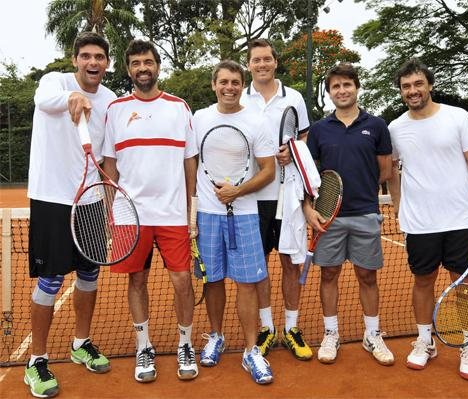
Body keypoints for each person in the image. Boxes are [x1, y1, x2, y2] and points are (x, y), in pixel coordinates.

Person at [388, 59, 468, 381]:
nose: (413, 91)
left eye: (418, 84)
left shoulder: (458, 117)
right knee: (422, 282)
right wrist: (398, 205)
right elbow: (391, 170)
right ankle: (424, 341)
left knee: (461, 284)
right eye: (406, 86)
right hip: (420, 223)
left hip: (461, 219)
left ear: (429, 85)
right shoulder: (395, 128)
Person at [24, 31, 116, 398]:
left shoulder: (109, 100)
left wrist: (108, 205)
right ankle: (36, 360)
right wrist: (72, 97)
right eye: (86, 56)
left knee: (90, 274)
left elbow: (107, 157)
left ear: (106, 64)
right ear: (76, 59)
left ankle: (81, 342)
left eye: (99, 57)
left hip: (90, 200)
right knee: (50, 279)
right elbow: (45, 100)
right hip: (51, 198)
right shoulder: (54, 82)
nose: (92, 62)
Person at [102, 39, 198, 383]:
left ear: (158, 66)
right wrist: (111, 214)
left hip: (172, 213)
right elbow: (110, 166)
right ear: (128, 69)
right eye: (136, 63)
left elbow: (190, 163)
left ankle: (186, 343)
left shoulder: (179, 107)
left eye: (148, 62)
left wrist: (192, 211)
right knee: (137, 279)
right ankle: (144, 346)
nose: (143, 68)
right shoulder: (115, 109)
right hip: (131, 214)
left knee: (182, 280)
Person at [302, 63, 395, 366]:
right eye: (336, 87)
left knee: (367, 276)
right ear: (329, 93)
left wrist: (364, 190)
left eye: (347, 85)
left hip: (366, 214)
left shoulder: (377, 125)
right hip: (328, 217)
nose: (342, 91)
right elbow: (310, 175)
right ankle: (331, 334)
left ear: (356, 87)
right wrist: (310, 209)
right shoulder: (318, 130)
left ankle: (372, 334)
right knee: (329, 274)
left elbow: (385, 169)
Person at [192, 60, 275, 384]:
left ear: (243, 85)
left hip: (244, 213)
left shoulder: (257, 121)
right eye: (223, 81)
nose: (229, 87)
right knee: (212, 280)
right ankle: (216, 335)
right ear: (214, 84)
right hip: (208, 214)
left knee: (247, 283)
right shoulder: (199, 119)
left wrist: (237, 191)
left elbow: (269, 170)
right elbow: (190, 162)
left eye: (235, 82)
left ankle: (251, 350)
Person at [240, 39, 313, 360]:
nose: (262, 65)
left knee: (290, 261)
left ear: (275, 62)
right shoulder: (240, 98)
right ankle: (267, 327)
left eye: (267, 59)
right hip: (252, 196)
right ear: (249, 64)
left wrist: (292, 152)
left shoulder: (294, 98)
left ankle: (292, 327)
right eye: (256, 60)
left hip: (287, 195)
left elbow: (304, 137)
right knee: (259, 266)